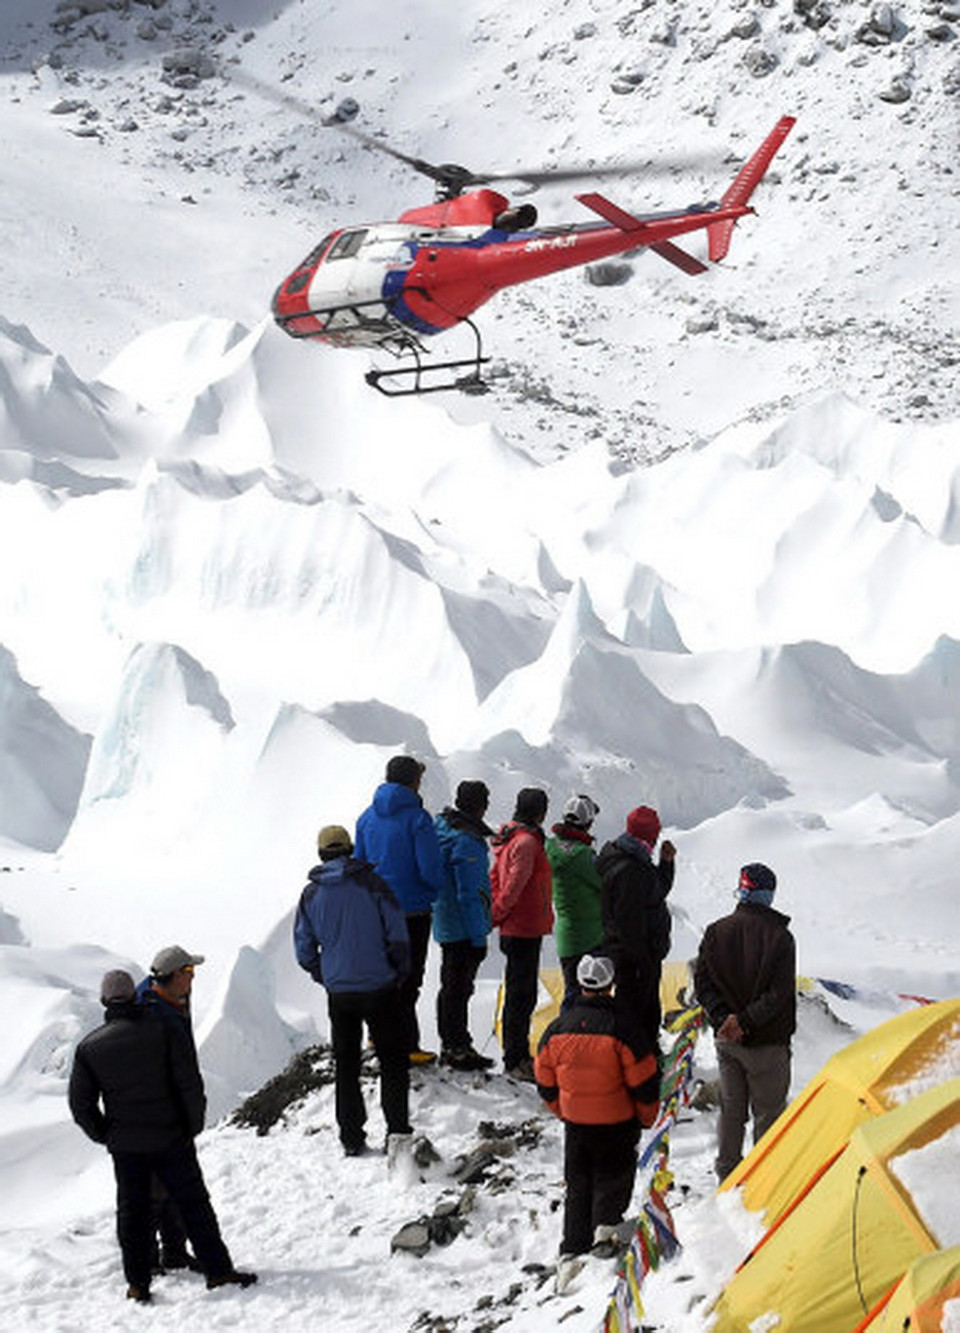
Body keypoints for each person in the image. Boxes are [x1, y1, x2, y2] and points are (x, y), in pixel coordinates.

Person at [68, 969, 257, 1305]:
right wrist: (191, 1123)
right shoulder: (164, 1030)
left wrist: (106, 1134)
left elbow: (80, 1104)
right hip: (171, 1136)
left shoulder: (90, 1047)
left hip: (126, 1147)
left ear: (104, 1002)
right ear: (134, 995)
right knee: (194, 1205)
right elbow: (189, 1083)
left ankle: (138, 1284)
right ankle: (218, 1271)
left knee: (132, 1213)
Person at [534, 954, 660, 1291]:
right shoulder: (624, 1027)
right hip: (617, 1123)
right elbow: (644, 1079)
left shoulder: (557, 1029)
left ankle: (571, 1253)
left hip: (577, 1124)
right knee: (610, 1186)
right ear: (610, 984)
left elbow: (543, 1078)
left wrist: (562, 1109)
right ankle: (601, 1253)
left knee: (578, 1188)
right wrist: (647, 1117)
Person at [294, 824, 414, 1158]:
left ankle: (351, 1136)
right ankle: (398, 1133)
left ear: (321, 854)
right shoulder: (372, 884)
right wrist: (398, 971)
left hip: (340, 993)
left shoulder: (311, 894)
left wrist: (325, 974)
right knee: (392, 1061)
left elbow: (304, 948)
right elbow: (397, 932)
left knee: (346, 1065)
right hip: (380, 988)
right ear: (350, 850)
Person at [694, 862, 796, 1183]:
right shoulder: (780, 937)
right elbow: (779, 994)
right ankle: (764, 1181)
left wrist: (725, 1019)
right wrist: (746, 1021)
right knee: (767, 1115)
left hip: (727, 1042)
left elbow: (703, 984)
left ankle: (727, 1174)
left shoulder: (715, 931)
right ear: (769, 894)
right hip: (767, 1042)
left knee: (731, 1110)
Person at [354, 754, 445, 1065]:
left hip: (377, 908)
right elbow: (430, 867)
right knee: (409, 979)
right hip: (413, 910)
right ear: (413, 782)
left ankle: (376, 1035)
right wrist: (431, 891)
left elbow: (359, 864)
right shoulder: (419, 820)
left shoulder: (366, 818)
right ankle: (405, 1045)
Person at [135, 944, 206, 1273]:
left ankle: (173, 1251)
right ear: (175, 975)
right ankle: (152, 1257)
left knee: (169, 1185)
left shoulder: (161, 1001)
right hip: (160, 1114)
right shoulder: (155, 1014)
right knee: (156, 1188)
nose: (193, 978)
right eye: (189, 972)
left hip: (166, 1112)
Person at [596, 805, 676, 1056]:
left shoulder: (631, 856)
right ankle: (637, 1061)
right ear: (648, 835)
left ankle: (644, 1055)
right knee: (635, 1011)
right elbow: (628, 922)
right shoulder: (631, 869)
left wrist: (666, 864)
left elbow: (654, 893)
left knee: (646, 1008)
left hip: (636, 952)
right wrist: (644, 960)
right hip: (634, 956)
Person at [491, 786, 553, 1081]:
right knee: (521, 995)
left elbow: (497, 878)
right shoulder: (528, 842)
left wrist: (497, 912)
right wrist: (500, 911)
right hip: (524, 926)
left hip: (516, 926)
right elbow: (515, 884)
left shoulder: (509, 837)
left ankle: (516, 1055)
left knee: (519, 992)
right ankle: (516, 1058)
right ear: (540, 812)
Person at [433, 780, 495, 1071]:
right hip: (462, 927)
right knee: (459, 987)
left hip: (444, 919)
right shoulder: (466, 841)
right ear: (481, 805)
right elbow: (469, 895)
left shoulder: (441, 828)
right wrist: (478, 938)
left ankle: (452, 1043)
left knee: (451, 986)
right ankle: (458, 1047)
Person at [546, 795, 604, 1007]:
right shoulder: (583, 856)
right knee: (590, 996)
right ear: (587, 823)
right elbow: (604, 882)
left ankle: (567, 1033)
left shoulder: (549, 847)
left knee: (572, 991)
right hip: (591, 935)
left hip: (566, 935)